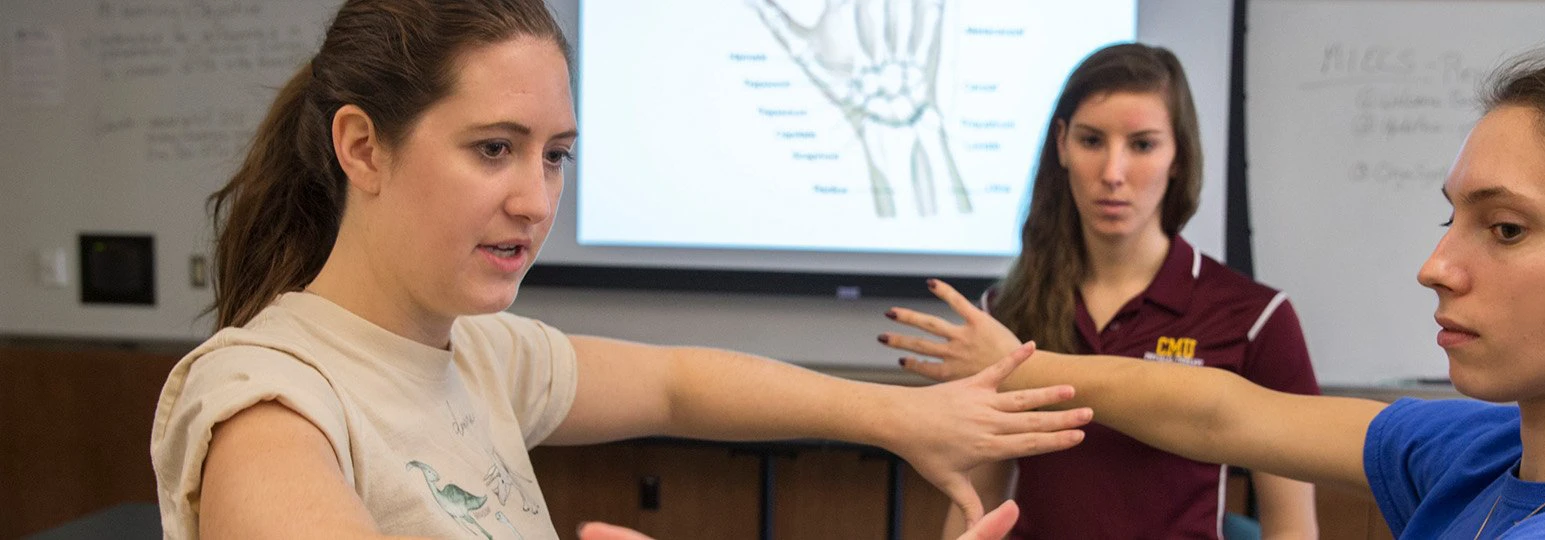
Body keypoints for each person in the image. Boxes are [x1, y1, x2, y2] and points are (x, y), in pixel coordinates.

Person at [147, 1, 1094, 538]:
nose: (535, 198)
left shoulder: (478, 353)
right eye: (492, 149)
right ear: (362, 147)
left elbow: (679, 385)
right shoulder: (268, 405)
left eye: (555, 154)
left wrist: (901, 418)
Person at [885, 46, 1545, 538]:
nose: (1437, 266)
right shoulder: (1484, 451)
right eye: (1452, 219)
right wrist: (1019, 365)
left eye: (1507, 229)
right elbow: (1216, 413)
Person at [892, 42, 1322, 539]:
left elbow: (1293, 528)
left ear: (1178, 154)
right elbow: (978, 506)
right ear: (1062, 145)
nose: (1113, 174)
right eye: (1092, 141)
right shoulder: (1005, 312)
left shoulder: (1257, 319)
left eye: (1142, 145)